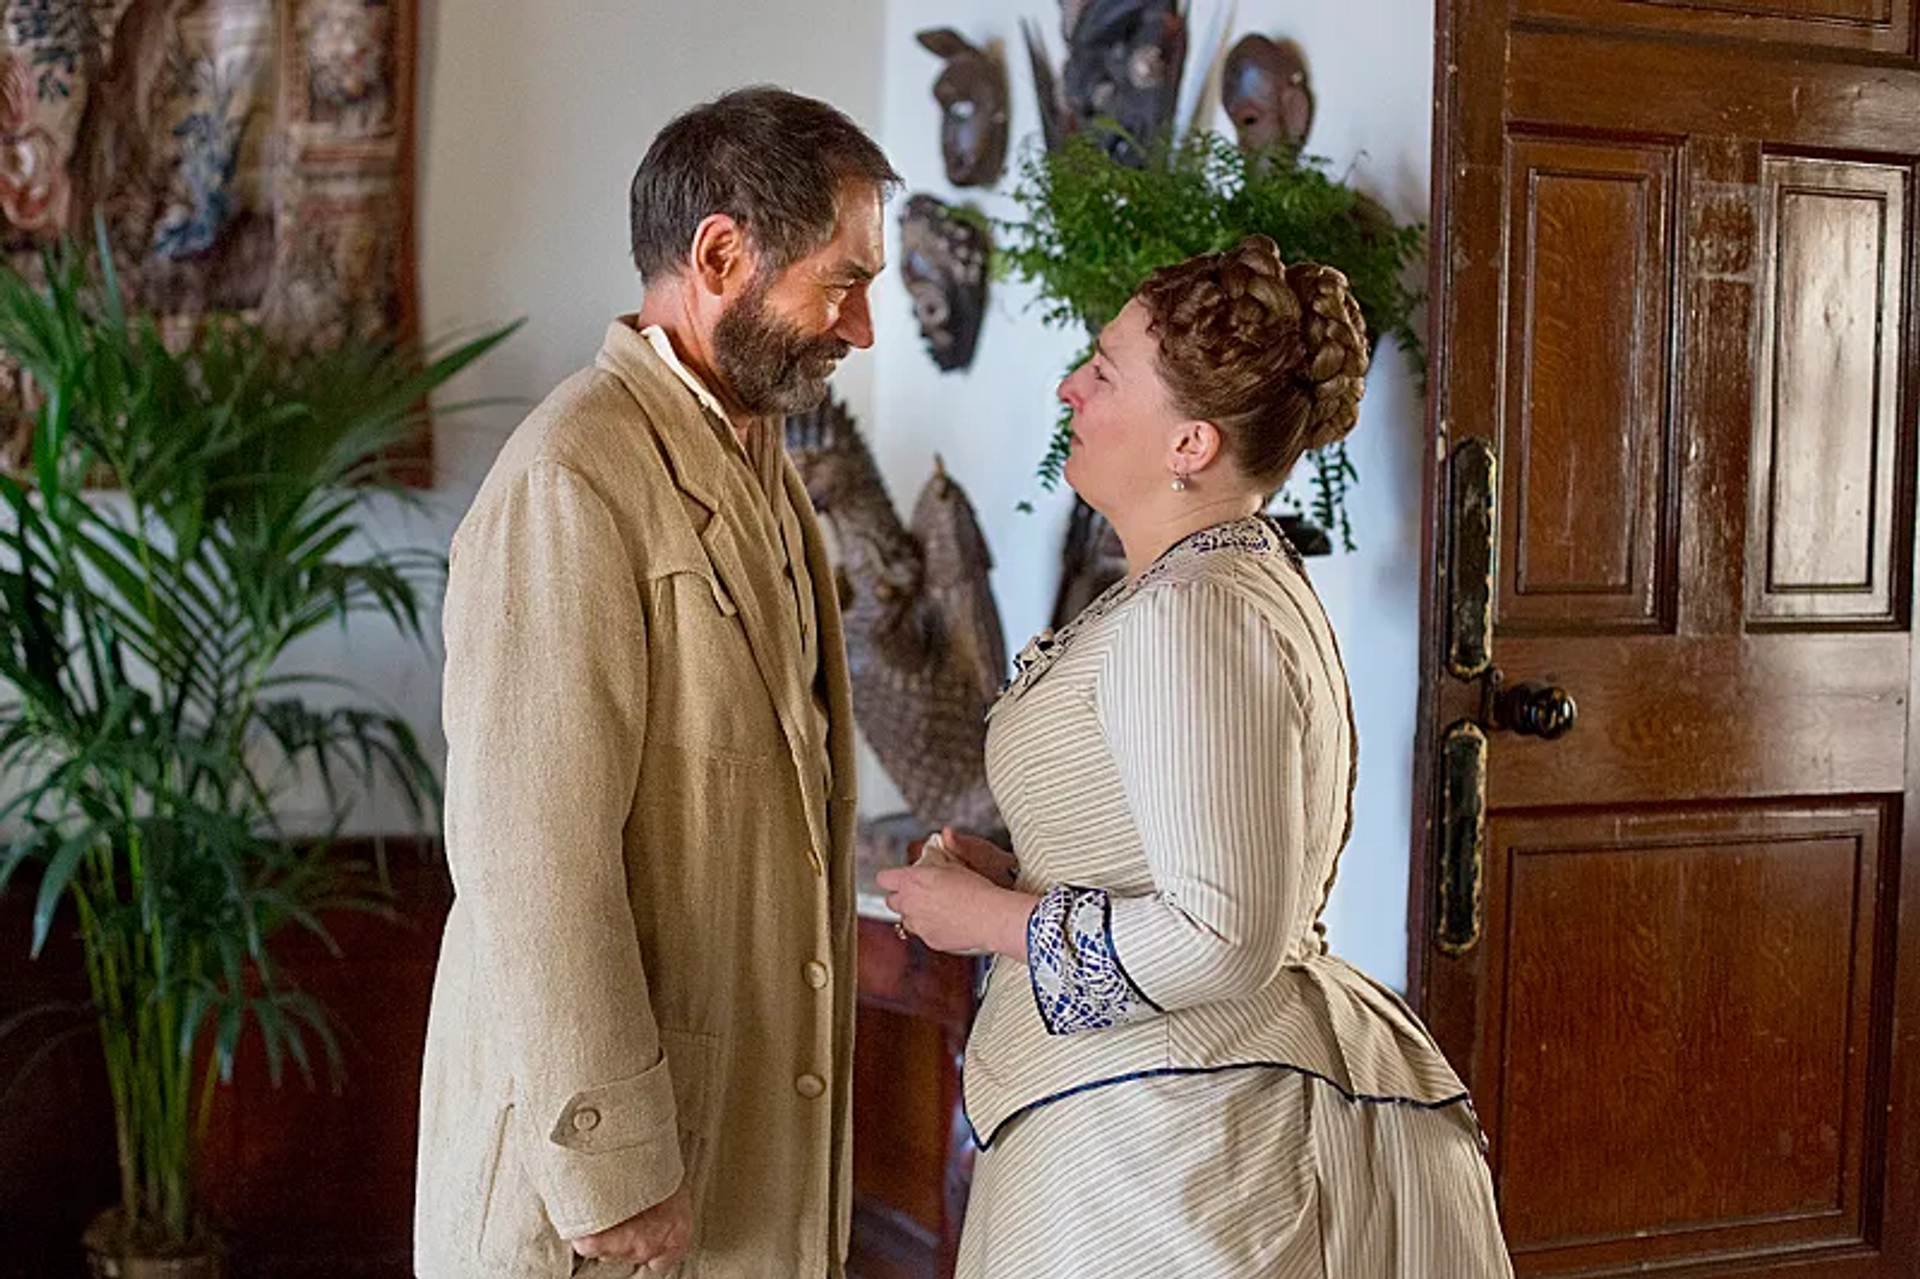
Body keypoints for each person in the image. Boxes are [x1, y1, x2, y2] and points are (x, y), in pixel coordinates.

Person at [878, 236, 1514, 1277]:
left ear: (1192, 444)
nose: (1069, 387)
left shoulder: (1195, 612)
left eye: (1105, 370)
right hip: (1137, 1110)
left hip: (1175, 1153)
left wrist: (987, 920)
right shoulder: (1203, 589)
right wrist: (1028, 881)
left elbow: (1225, 935)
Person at [415, 87, 899, 1279]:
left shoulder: (766, 468)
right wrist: (616, 1169)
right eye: (842, 283)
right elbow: (533, 863)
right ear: (721, 255)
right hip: (605, 1206)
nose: (863, 328)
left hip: (736, 1168)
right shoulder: (569, 479)